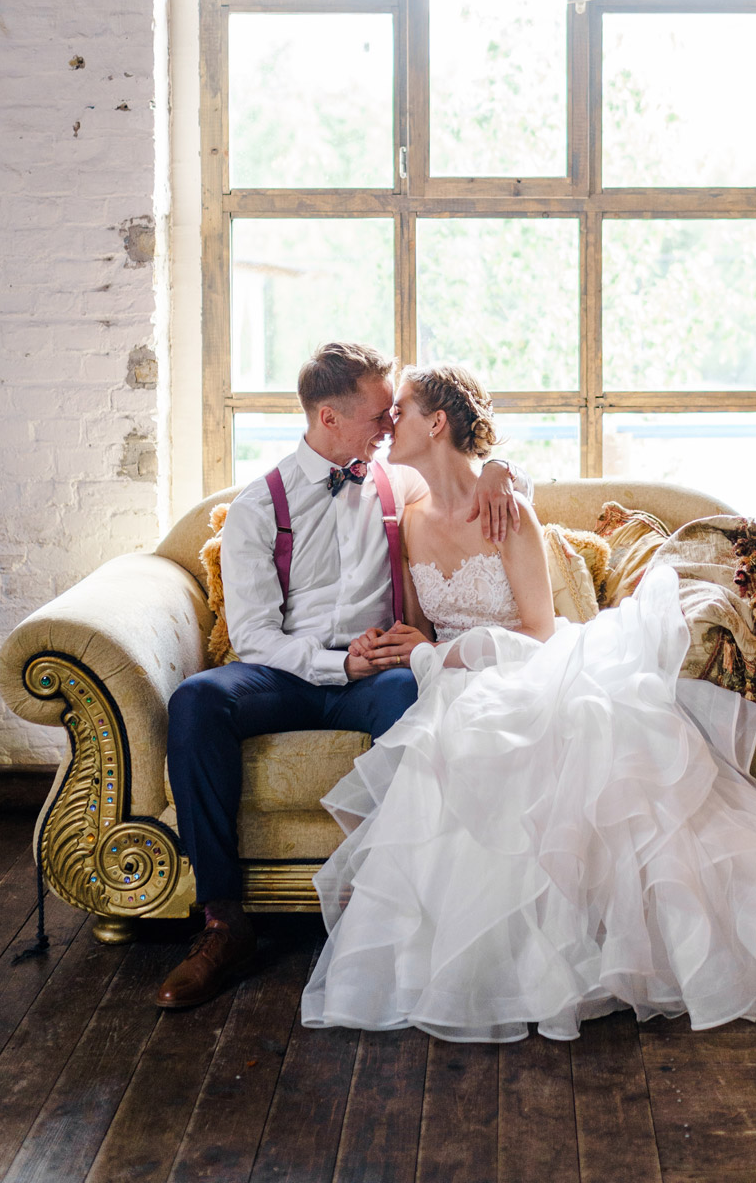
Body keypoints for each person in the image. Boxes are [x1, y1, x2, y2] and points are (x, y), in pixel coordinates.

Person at [302, 362, 756, 1046]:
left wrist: (445, 637)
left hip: (532, 661)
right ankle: (508, 963)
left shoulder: (510, 514)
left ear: (437, 422)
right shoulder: (406, 514)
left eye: (397, 410)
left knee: (608, 761)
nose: (385, 422)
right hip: (464, 683)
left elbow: (532, 631)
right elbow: (424, 622)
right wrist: (424, 646)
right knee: (460, 753)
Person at [156, 342, 533, 1011]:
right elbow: (253, 639)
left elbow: (467, 478)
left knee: (414, 691)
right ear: (329, 418)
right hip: (289, 676)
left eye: (396, 414)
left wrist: (502, 466)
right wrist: (338, 662)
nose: (390, 427)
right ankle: (223, 922)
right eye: (379, 416)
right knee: (195, 701)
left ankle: (396, 912)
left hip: (376, 677)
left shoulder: (400, 482)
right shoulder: (256, 508)